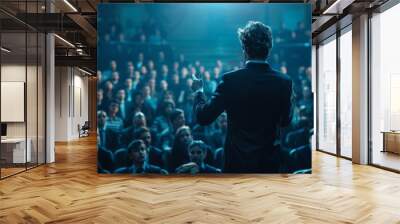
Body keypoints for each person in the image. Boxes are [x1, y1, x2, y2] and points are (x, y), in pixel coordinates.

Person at [192, 21, 293, 173]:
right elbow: (286, 121)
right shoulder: (284, 82)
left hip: (237, 163)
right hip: (269, 164)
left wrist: (198, 91)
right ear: (269, 48)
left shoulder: (230, 80)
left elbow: (204, 117)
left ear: (244, 49)